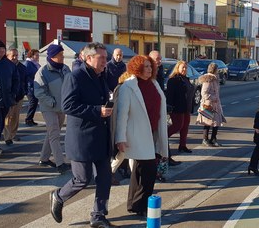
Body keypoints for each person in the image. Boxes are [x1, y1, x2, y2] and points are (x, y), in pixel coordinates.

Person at [50, 42, 116, 228]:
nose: (106, 61)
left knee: (105, 177)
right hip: (82, 138)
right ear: (88, 58)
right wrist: (97, 111)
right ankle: (58, 196)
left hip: (101, 135)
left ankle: (98, 216)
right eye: (102, 58)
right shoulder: (75, 77)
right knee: (82, 178)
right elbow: (68, 106)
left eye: (106, 57)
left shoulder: (101, 75)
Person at [115, 55, 169, 217]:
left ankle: (134, 205)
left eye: (150, 66)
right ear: (137, 68)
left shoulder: (154, 84)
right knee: (149, 171)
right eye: (145, 66)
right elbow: (122, 115)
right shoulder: (128, 86)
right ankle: (142, 205)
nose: (149, 69)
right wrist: (120, 138)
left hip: (152, 132)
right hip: (136, 134)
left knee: (139, 171)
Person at [35, 44, 71, 174]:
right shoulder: (42, 72)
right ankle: (60, 163)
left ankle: (44, 159)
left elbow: (71, 85)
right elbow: (38, 92)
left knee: (52, 133)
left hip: (62, 107)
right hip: (49, 108)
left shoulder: (66, 69)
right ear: (53, 57)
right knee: (55, 134)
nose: (62, 57)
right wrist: (51, 102)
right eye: (60, 55)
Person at [166, 61, 195, 154]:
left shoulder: (186, 79)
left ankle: (182, 146)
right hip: (177, 108)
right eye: (182, 67)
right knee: (177, 126)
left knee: (185, 127)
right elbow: (169, 95)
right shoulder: (173, 80)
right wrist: (170, 107)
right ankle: (162, 138)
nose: (184, 69)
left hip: (186, 107)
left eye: (186, 68)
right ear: (177, 68)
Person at [196, 62, 226, 147]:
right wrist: (213, 98)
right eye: (217, 69)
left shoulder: (214, 78)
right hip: (208, 104)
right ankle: (205, 139)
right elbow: (204, 93)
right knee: (208, 122)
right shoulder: (209, 79)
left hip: (215, 104)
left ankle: (213, 139)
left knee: (216, 122)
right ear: (215, 70)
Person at [3, 48, 27, 145]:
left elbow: (24, 80)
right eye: (12, 55)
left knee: (15, 117)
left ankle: (13, 134)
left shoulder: (22, 67)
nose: (15, 57)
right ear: (7, 56)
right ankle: (7, 136)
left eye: (16, 55)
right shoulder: (4, 67)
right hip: (8, 96)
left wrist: (24, 91)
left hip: (19, 96)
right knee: (8, 117)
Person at [24, 49, 41, 126]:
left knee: (34, 102)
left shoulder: (35, 64)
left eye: (38, 55)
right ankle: (28, 119)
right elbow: (27, 75)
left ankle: (30, 118)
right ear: (31, 55)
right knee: (33, 102)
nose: (38, 57)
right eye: (36, 55)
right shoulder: (28, 64)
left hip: (35, 86)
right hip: (30, 86)